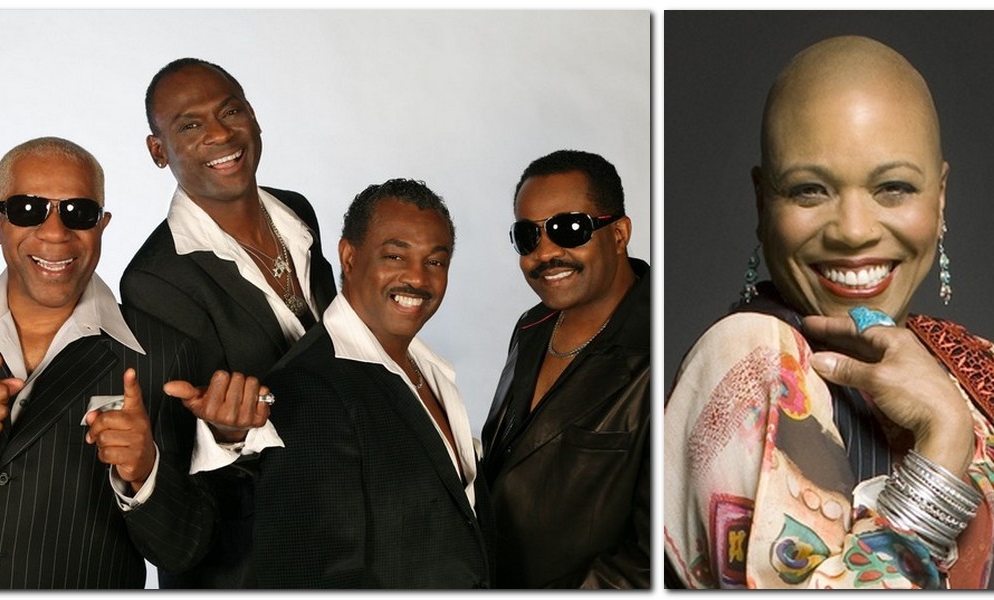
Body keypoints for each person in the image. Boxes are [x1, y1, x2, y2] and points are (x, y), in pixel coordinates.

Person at [663, 35, 994, 589]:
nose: (853, 230)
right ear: (762, 202)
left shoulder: (990, 374)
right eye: (809, 190)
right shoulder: (749, 361)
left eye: (893, 188)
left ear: (939, 197)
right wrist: (942, 446)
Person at [121, 57, 338, 588]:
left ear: (254, 117)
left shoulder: (297, 212)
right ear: (158, 150)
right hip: (249, 556)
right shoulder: (153, 281)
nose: (220, 133)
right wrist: (224, 432)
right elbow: (172, 454)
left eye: (231, 111)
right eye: (190, 125)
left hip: (340, 523)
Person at [0, 137, 231, 588]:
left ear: (102, 226)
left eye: (78, 212)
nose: (55, 233)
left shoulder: (163, 356)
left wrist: (145, 472)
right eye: (28, 210)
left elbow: (184, 551)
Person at [255, 179, 489, 588]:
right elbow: (314, 578)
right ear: (349, 257)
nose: (417, 278)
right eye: (395, 256)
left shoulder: (428, 368)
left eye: (435, 262)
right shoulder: (309, 390)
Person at [480, 150, 649, 588]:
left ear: (619, 234)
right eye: (527, 236)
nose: (545, 253)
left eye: (569, 229)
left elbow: (653, 558)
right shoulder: (532, 327)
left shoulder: (657, 350)